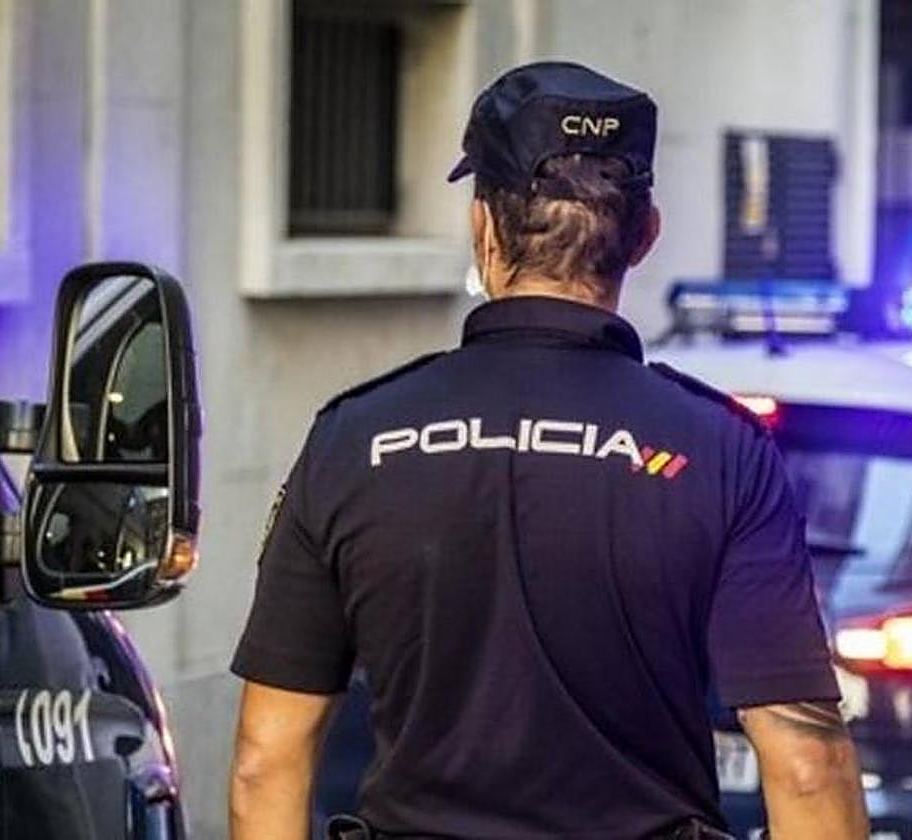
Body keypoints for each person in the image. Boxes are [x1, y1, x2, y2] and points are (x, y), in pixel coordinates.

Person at [229, 61, 869, 840]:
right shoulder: (723, 450)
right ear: (643, 236)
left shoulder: (353, 437)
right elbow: (807, 764)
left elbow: (267, 758)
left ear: (483, 225)